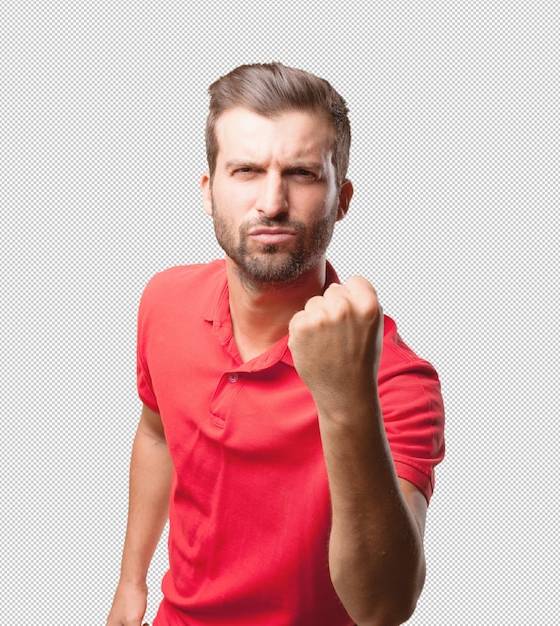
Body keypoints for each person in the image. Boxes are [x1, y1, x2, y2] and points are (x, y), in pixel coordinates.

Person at [106, 62, 445, 626]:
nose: (271, 202)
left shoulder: (394, 379)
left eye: (303, 173)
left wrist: (345, 398)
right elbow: (158, 432)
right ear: (209, 191)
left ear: (343, 198)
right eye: (245, 171)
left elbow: (383, 607)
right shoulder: (163, 299)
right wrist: (130, 581)